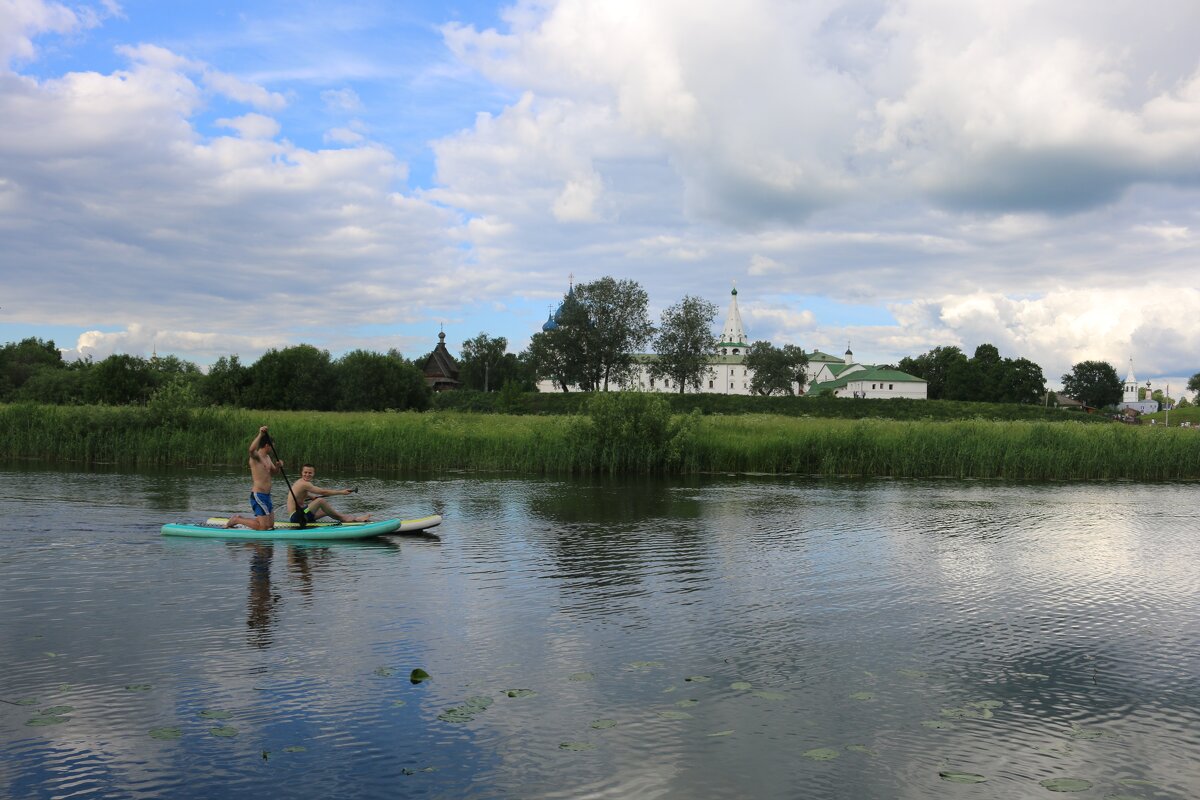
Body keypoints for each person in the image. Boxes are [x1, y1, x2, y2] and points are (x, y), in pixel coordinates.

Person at [225, 426, 281, 530]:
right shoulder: (256, 456)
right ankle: (236, 520)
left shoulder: (268, 458)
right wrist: (260, 434)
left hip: (267, 496)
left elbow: (274, 472)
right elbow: (251, 449)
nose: (274, 449)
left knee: (270, 525)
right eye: (273, 446)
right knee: (263, 527)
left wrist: (278, 466)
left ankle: (243, 519)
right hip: (258, 495)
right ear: (267, 445)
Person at [286, 464, 369, 524]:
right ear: (301, 472)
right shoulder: (304, 484)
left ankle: (351, 519)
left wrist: (311, 496)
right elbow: (323, 492)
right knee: (320, 501)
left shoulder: (300, 482)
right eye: (305, 472)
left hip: (304, 512)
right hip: (297, 517)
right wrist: (341, 492)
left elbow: (301, 494)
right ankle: (347, 519)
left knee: (325, 511)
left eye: (310, 473)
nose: (307, 474)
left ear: (313, 473)